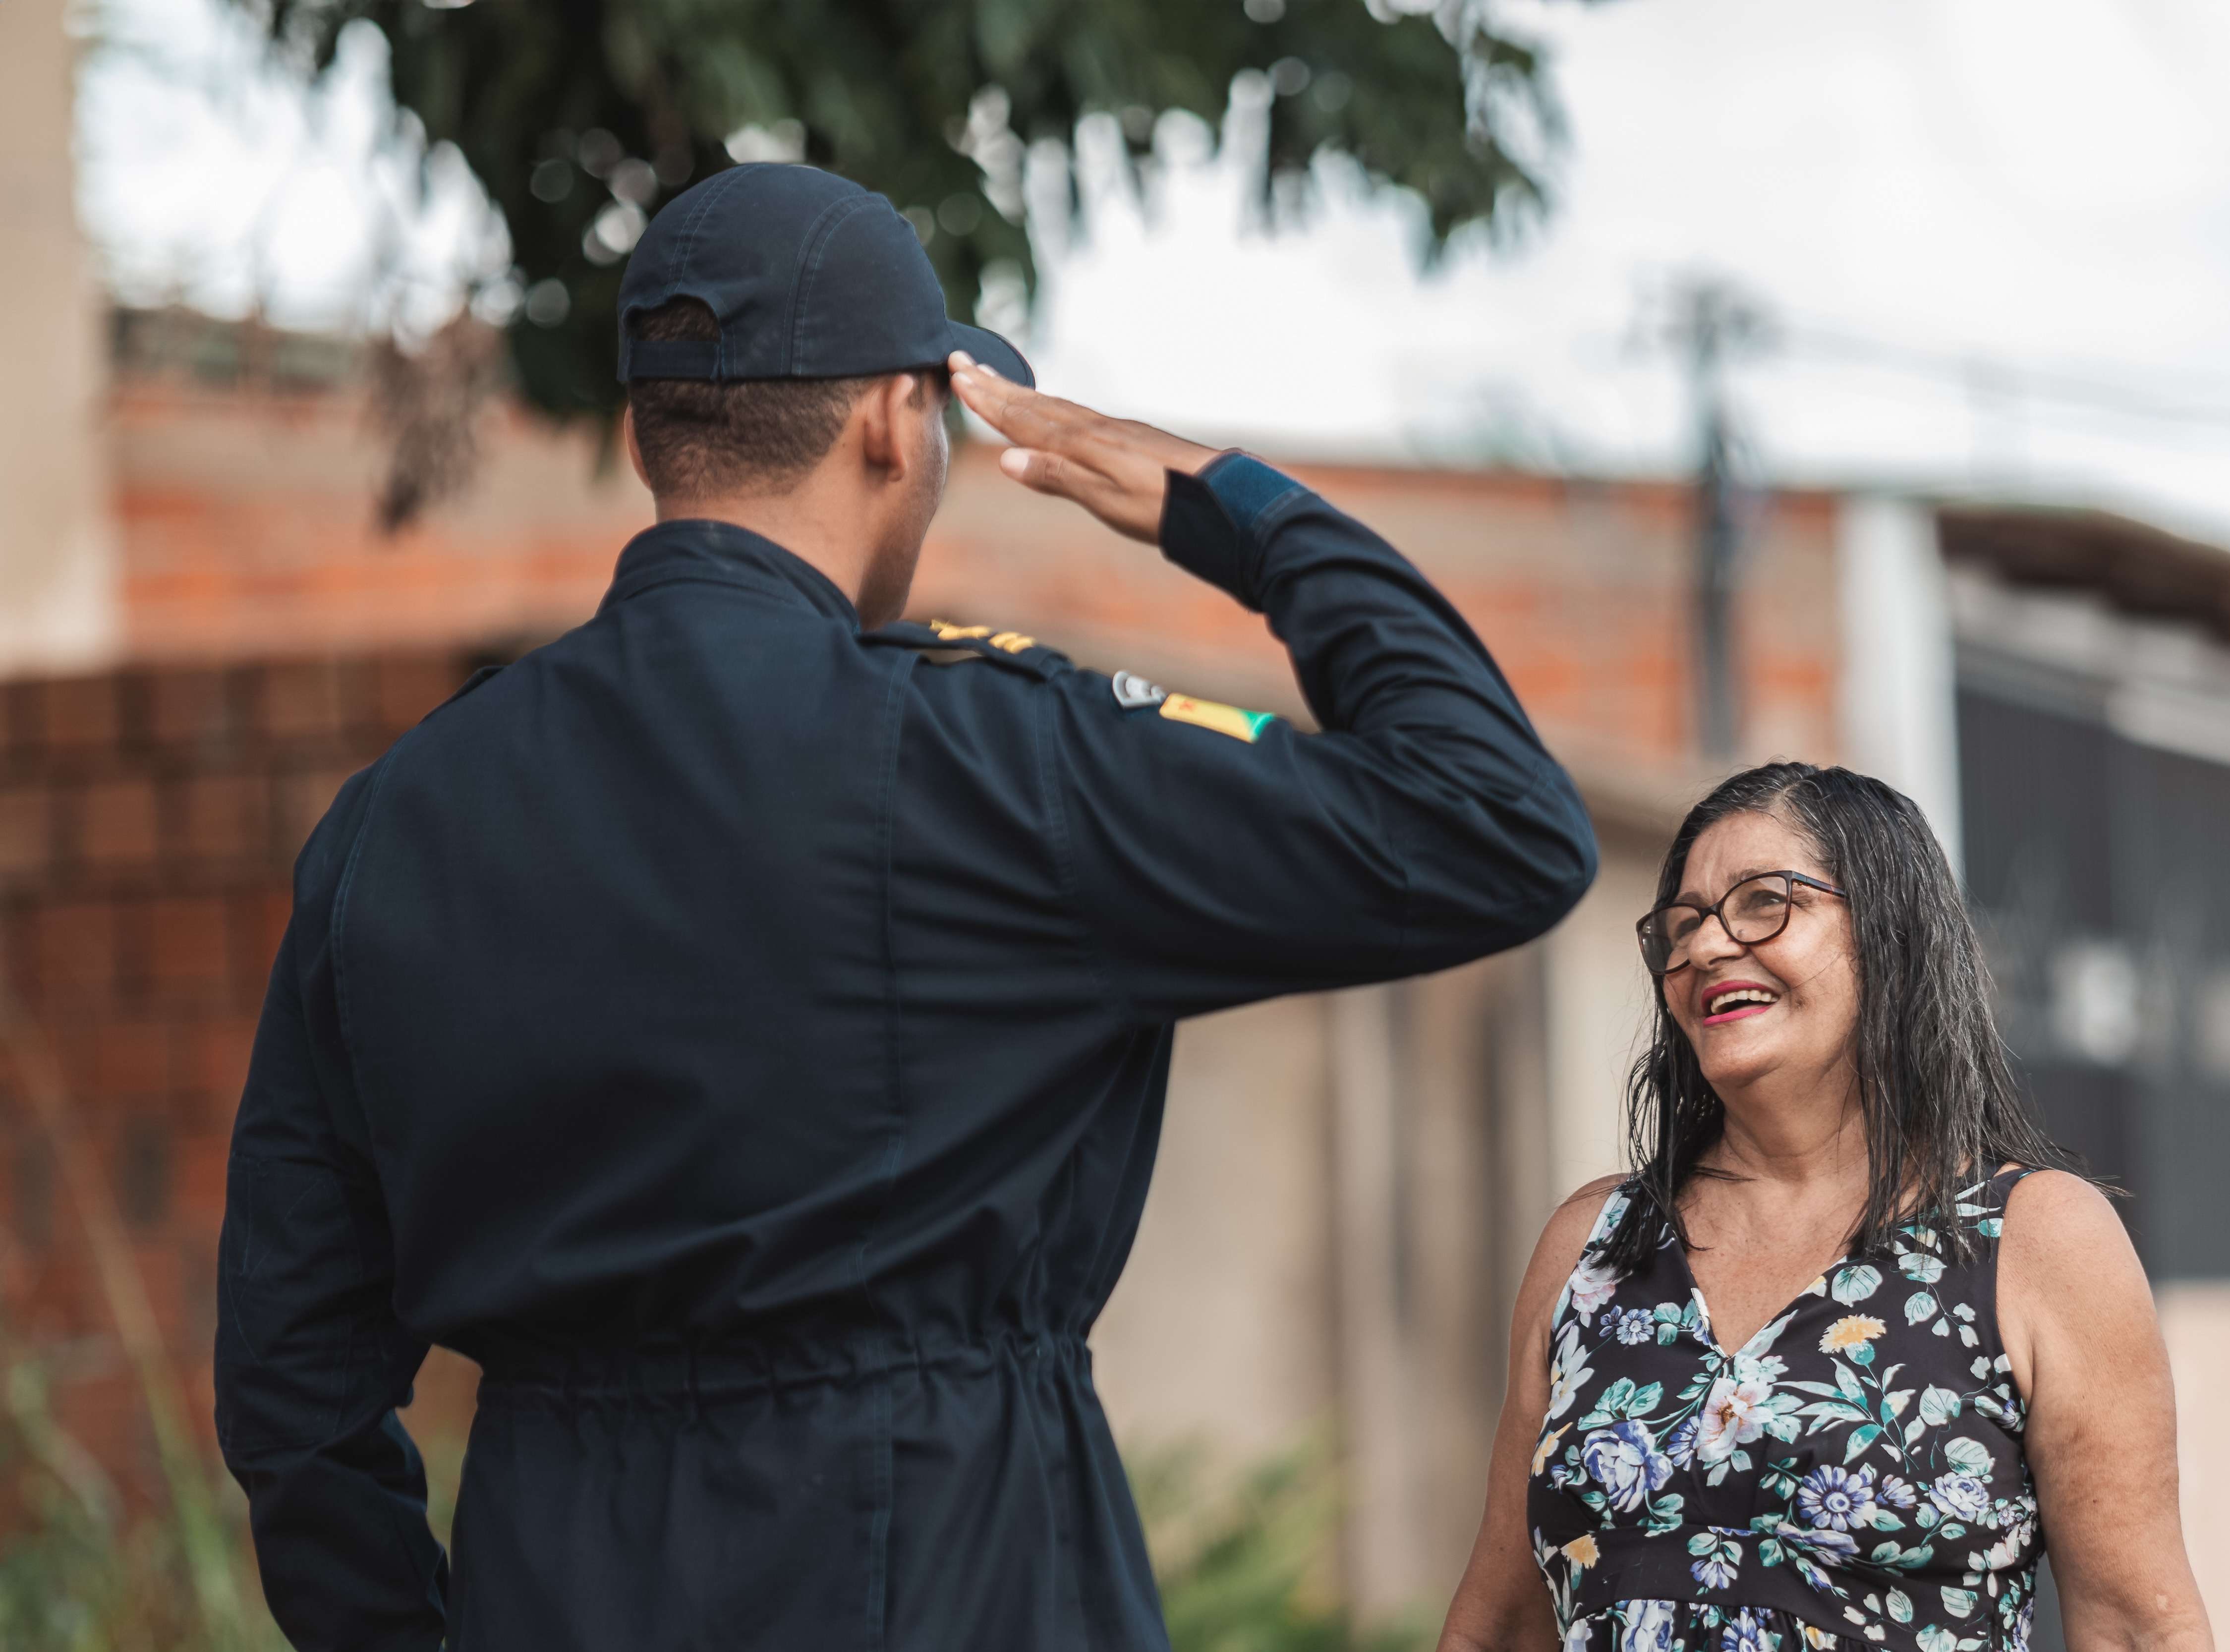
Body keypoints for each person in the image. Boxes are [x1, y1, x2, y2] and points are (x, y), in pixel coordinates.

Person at [211, 163, 1598, 1652]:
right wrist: (1233, 507)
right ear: (893, 420)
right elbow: (1497, 820)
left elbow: (295, 1377)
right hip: (949, 1563)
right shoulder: (997, 760)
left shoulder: (398, 817)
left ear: (642, 434)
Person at [1438, 762, 2215, 1652]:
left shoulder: (2037, 1241)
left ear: (1889, 931)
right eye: (1682, 924)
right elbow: (1501, 1622)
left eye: (1764, 902)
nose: (1707, 947)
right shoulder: (1593, 1248)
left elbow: (2132, 1627)